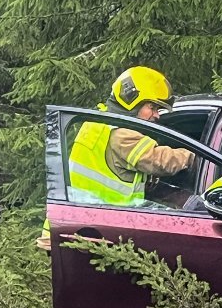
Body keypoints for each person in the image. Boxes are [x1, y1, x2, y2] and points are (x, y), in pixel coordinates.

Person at [67, 66, 194, 206]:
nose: (157, 115)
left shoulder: (97, 124)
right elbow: (158, 160)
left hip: (77, 219)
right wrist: (195, 157)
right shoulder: (120, 135)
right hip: (97, 222)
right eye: (152, 107)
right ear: (130, 102)